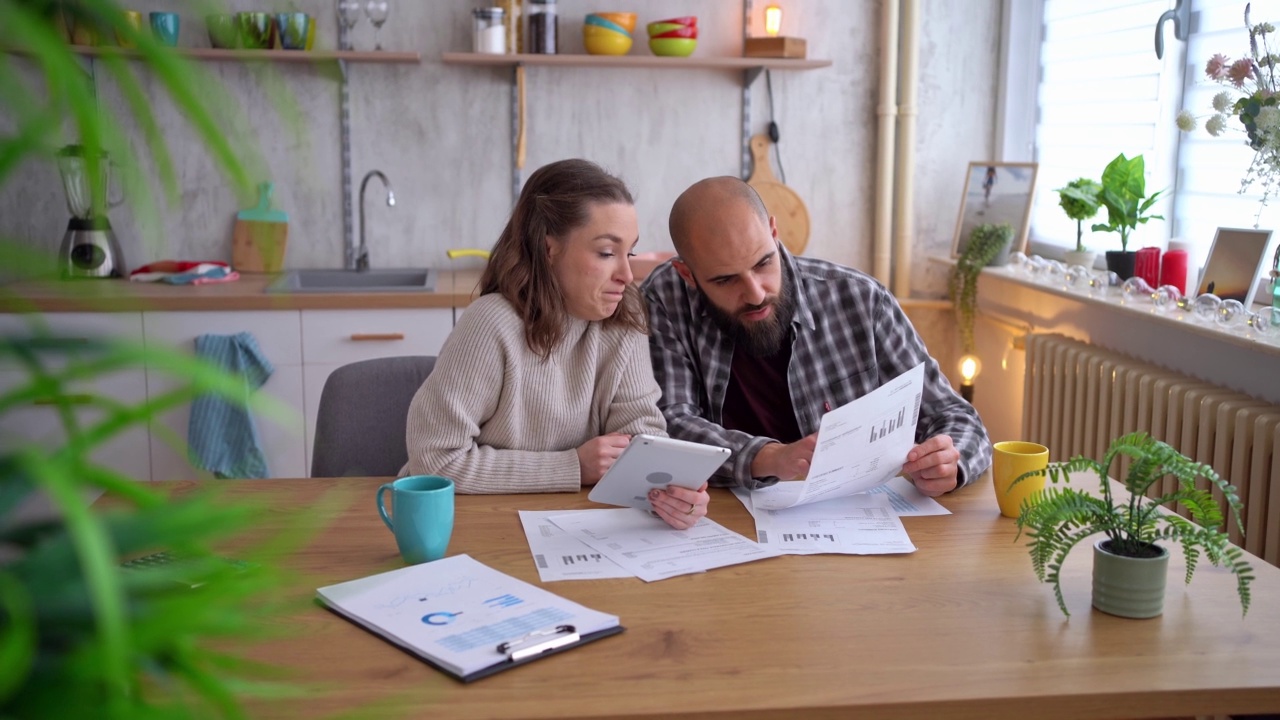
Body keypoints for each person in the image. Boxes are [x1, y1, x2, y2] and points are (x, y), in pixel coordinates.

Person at [401, 159, 709, 529]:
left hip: (572, 527)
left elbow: (641, 437)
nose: (627, 276)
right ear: (549, 249)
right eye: (607, 253)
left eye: (629, 253)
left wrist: (668, 489)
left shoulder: (624, 321)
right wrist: (571, 467)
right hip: (474, 525)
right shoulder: (490, 324)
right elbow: (434, 460)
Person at [641, 176, 992, 496]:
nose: (756, 293)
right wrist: (768, 457)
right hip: (721, 517)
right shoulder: (666, 299)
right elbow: (668, 424)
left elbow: (954, 414)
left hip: (854, 518)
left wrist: (951, 462)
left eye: (764, 262)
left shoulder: (861, 300)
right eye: (725, 280)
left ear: (774, 233)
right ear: (687, 274)